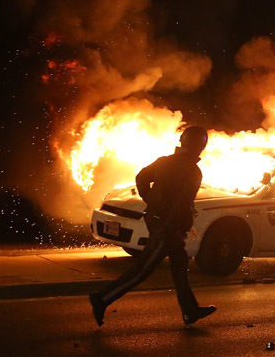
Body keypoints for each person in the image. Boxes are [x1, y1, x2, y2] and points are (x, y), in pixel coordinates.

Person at [89, 126, 216, 327]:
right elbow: (181, 202)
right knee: (143, 269)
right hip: (168, 227)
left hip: (160, 221)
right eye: (202, 145)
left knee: (180, 265)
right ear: (199, 146)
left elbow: (141, 178)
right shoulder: (192, 170)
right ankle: (102, 298)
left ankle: (190, 311)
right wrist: (173, 224)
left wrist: (151, 201)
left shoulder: (164, 161)